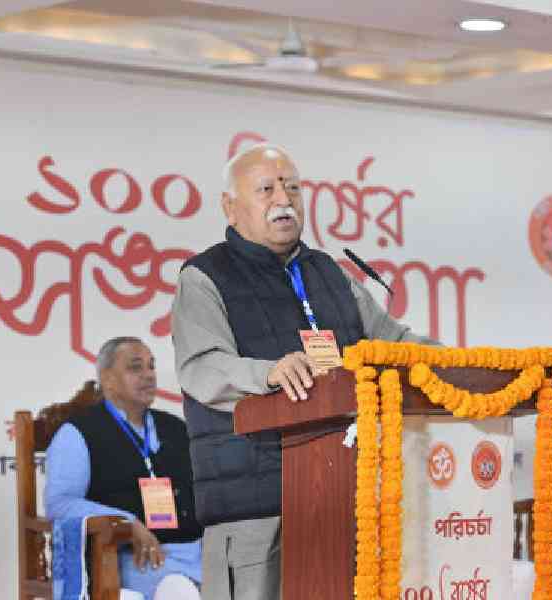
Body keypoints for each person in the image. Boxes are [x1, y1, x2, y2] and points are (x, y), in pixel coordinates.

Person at [171, 143, 434, 600]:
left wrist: (458, 362)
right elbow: (202, 367)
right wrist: (268, 374)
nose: (284, 200)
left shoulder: (329, 273)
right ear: (230, 207)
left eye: (293, 188)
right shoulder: (205, 276)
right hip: (257, 504)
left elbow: (391, 341)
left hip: (346, 497)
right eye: (266, 189)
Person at [45, 337, 202, 600]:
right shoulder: (78, 432)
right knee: (179, 590)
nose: (149, 375)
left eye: (151, 366)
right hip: (126, 559)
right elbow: (60, 504)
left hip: (194, 553)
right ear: (107, 379)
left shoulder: (176, 428)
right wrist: (126, 522)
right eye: (135, 367)